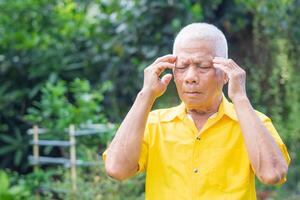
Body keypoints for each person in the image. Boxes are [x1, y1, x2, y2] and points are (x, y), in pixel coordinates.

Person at [102, 23, 290, 199]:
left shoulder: (253, 122)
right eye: (182, 67)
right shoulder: (154, 124)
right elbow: (117, 169)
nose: (190, 77)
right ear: (173, 73)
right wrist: (146, 95)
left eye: (203, 67)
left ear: (225, 73)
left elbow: (272, 174)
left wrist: (240, 98)